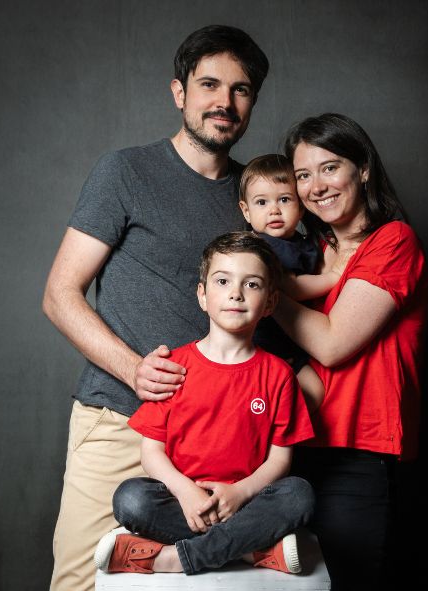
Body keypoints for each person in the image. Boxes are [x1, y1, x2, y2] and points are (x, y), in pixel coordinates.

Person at [42, 25, 269, 591]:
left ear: (252, 103)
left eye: (240, 90)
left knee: (211, 583)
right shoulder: (126, 172)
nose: (224, 102)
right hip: (120, 419)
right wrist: (133, 370)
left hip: (223, 436)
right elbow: (60, 295)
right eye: (209, 84)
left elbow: (285, 300)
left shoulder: (259, 197)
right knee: (81, 580)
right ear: (179, 92)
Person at [93, 232, 315, 575]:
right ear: (202, 295)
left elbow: (280, 459)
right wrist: (186, 493)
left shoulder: (279, 375)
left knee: (299, 495)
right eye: (223, 280)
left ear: (270, 303)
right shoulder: (174, 368)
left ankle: (175, 559)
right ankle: (248, 551)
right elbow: (151, 452)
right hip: (184, 502)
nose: (235, 293)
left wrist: (239, 493)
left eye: (252, 284)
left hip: (249, 503)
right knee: (132, 499)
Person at [272, 113, 428, 591]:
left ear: (362, 169)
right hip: (286, 449)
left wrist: (263, 291)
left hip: (356, 451)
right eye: (302, 175)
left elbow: (333, 343)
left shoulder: (393, 241)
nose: (315, 186)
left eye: (329, 167)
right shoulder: (306, 253)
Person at [238, 153, 339, 412]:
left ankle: (284, 440)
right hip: (261, 346)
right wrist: (334, 277)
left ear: (301, 206)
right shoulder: (263, 246)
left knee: (314, 393)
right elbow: (292, 287)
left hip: (292, 344)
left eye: (284, 199)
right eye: (261, 202)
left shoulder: (304, 244)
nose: (274, 210)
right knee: (261, 400)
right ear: (246, 211)